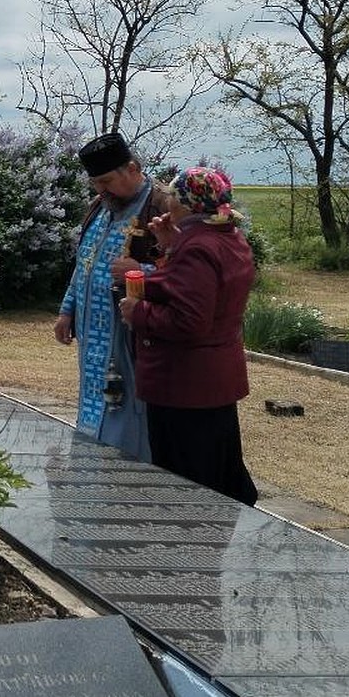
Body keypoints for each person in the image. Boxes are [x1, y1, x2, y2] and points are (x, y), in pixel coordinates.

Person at [119, 166, 259, 505]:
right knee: (216, 465)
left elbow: (190, 320)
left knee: (188, 476)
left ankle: (193, 542)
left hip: (185, 384)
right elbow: (191, 290)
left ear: (186, 203)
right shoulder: (229, 238)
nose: (166, 205)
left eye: (171, 198)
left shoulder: (198, 247)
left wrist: (137, 312)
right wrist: (168, 248)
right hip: (213, 381)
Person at [54, 131, 164, 460]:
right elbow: (84, 263)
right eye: (95, 184)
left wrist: (140, 272)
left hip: (130, 336)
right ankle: (90, 469)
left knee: (128, 406)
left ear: (132, 168)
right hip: (92, 334)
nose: (101, 190)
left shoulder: (158, 206)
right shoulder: (101, 206)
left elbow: (186, 274)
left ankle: (129, 476)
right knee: (96, 398)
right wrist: (67, 309)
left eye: (107, 181)